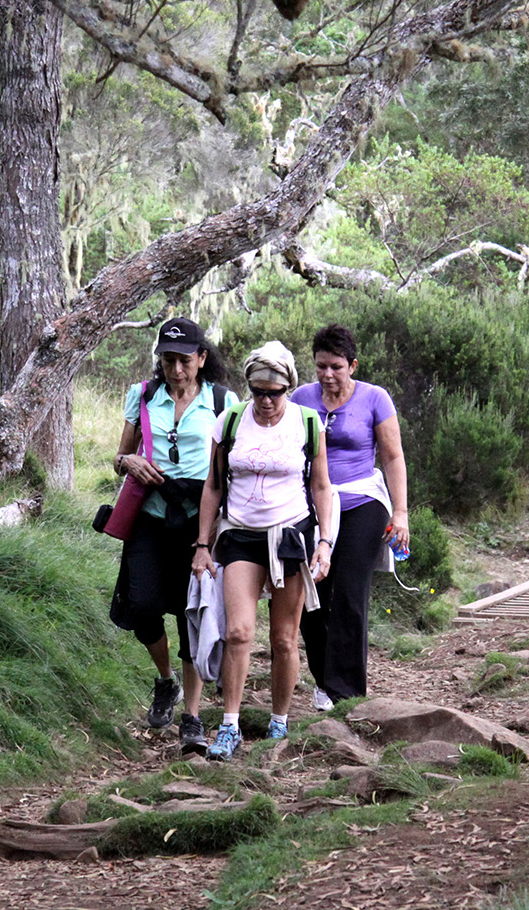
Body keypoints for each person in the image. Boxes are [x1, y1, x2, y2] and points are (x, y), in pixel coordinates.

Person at [191, 341, 336, 761]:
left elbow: (321, 486)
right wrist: (203, 544)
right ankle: (230, 725)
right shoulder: (230, 420)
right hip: (240, 535)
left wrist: (324, 542)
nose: (267, 401)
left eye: (275, 392)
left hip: (289, 536)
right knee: (238, 632)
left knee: (284, 639)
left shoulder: (308, 423)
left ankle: (278, 721)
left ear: (288, 388)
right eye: (259, 391)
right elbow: (213, 485)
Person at [111, 317, 234, 756]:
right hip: (151, 514)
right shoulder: (143, 395)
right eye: (167, 361)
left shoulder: (223, 402)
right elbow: (119, 455)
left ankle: (193, 719)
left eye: (184, 360)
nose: (176, 370)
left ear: (202, 359)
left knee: (191, 616)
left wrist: (214, 534)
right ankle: (165, 682)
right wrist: (130, 463)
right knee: (142, 607)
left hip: (198, 519)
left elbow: (230, 468)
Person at [292, 323, 409, 709]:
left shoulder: (376, 399)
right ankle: (325, 680)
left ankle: (347, 693)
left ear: (352, 365)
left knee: (348, 592)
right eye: (321, 366)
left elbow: (392, 456)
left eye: (336, 367)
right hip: (309, 503)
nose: (328, 375)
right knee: (310, 593)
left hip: (362, 500)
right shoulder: (299, 398)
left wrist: (402, 512)